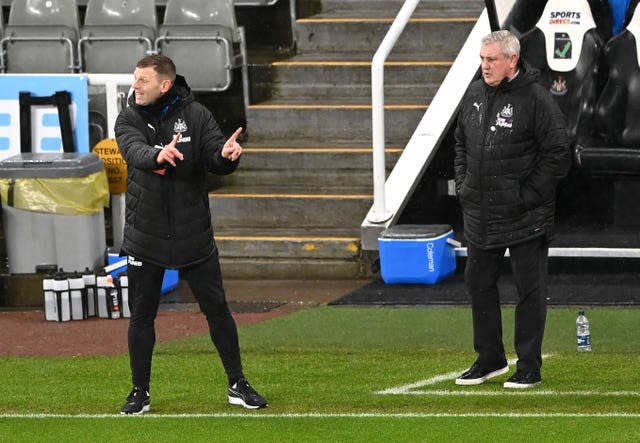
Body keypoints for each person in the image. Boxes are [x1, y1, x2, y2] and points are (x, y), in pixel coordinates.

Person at [114, 54, 267, 414]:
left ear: (164, 85)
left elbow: (215, 155)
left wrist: (227, 156)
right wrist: (156, 155)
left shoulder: (196, 115)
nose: (135, 85)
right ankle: (139, 391)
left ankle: (237, 383)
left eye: (142, 80)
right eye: (135, 79)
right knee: (141, 316)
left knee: (218, 311)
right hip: (145, 234)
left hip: (192, 231)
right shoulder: (128, 118)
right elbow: (133, 151)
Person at [453, 30, 570, 389]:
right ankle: (489, 358)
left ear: (512, 60)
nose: (484, 66)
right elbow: (460, 142)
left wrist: (527, 196)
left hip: (525, 216)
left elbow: (558, 154)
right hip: (480, 214)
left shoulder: (536, 99)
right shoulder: (474, 93)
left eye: (491, 60)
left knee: (529, 292)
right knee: (478, 285)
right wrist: (464, 185)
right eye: (482, 59)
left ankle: (529, 365)